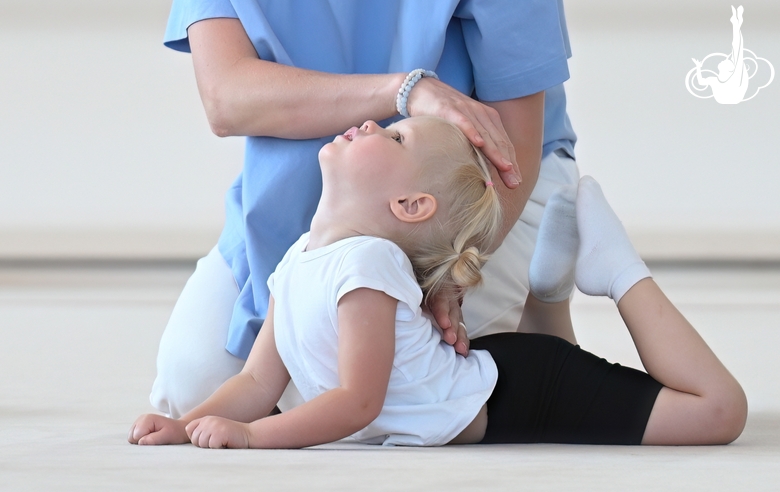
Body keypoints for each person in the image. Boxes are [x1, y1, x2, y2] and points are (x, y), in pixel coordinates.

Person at [129, 117, 746, 447]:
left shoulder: (366, 266)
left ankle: (615, 269)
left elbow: (357, 403)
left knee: (718, 413)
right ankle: (548, 291)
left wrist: (255, 437)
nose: (370, 125)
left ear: (410, 205)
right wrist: (188, 425)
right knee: (574, 364)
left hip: (517, 393)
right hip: (497, 382)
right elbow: (259, 379)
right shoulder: (298, 258)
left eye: (393, 135)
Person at [151, 0, 581, 419]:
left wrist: (449, 267)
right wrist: (405, 92)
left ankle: (545, 307)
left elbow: (512, 150)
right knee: (194, 387)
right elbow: (227, 99)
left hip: (474, 192)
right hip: (315, 186)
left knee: (423, 396)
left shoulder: (462, 194)